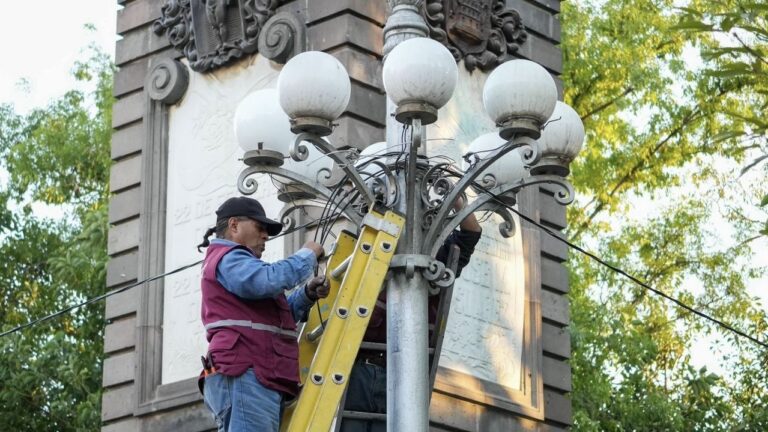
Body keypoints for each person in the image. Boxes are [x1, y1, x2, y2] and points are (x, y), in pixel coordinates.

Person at [340, 199, 482, 432]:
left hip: (402, 373)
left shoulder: (435, 256)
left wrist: (457, 203)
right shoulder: (374, 247)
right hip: (359, 370)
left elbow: (470, 233)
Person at [197, 196, 330, 432]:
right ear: (234, 225)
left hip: (254, 375)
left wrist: (306, 295)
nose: (266, 236)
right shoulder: (229, 257)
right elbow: (266, 280)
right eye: (260, 228)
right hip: (248, 373)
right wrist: (307, 255)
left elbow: (272, 316)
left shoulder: (234, 265)